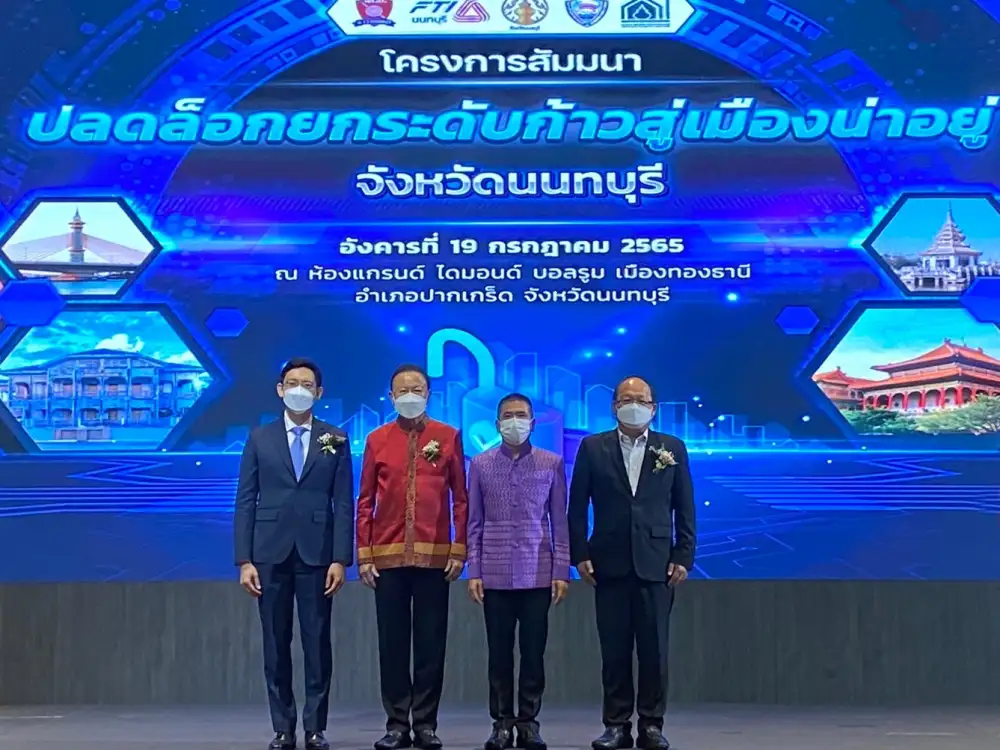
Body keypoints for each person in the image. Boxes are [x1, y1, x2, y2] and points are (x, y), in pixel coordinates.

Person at [568, 376, 696, 750]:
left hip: (657, 563)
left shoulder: (671, 447)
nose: (633, 405)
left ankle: (652, 724)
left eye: (641, 400)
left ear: (653, 408)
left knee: (654, 650)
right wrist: (580, 553)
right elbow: (577, 506)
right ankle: (616, 725)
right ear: (614, 406)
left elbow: (684, 506)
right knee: (615, 649)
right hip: (607, 562)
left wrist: (683, 554)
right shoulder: (593, 447)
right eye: (626, 399)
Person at [234, 358, 355, 750]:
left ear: (319, 393)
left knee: (317, 642)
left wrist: (340, 558)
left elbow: (343, 503)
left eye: (306, 384)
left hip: (318, 554)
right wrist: (244, 560)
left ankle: (316, 728)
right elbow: (245, 500)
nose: (299, 389)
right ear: (279, 389)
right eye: (292, 382)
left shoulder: (335, 438)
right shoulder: (259, 438)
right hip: (269, 553)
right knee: (275, 642)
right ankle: (282, 728)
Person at [356, 364, 469, 750]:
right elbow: (365, 500)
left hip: (435, 556)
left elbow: (461, 498)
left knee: (430, 644)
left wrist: (458, 548)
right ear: (390, 397)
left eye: (416, 389)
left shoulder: (448, 436)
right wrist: (364, 554)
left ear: (428, 394)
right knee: (392, 644)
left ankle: (425, 724)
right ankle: (396, 725)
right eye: (402, 391)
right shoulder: (376, 439)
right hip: (386, 557)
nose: (410, 396)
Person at [467, 393, 570, 750]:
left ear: (533, 422)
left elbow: (559, 521)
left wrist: (561, 571)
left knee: (532, 653)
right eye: (508, 415)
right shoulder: (480, 464)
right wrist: (474, 570)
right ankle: (501, 723)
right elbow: (474, 522)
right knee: (498, 654)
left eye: (521, 415)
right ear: (497, 424)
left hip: (537, 571)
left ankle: (528, 723)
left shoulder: (551, 463)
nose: (515, 421)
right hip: (493, 574)